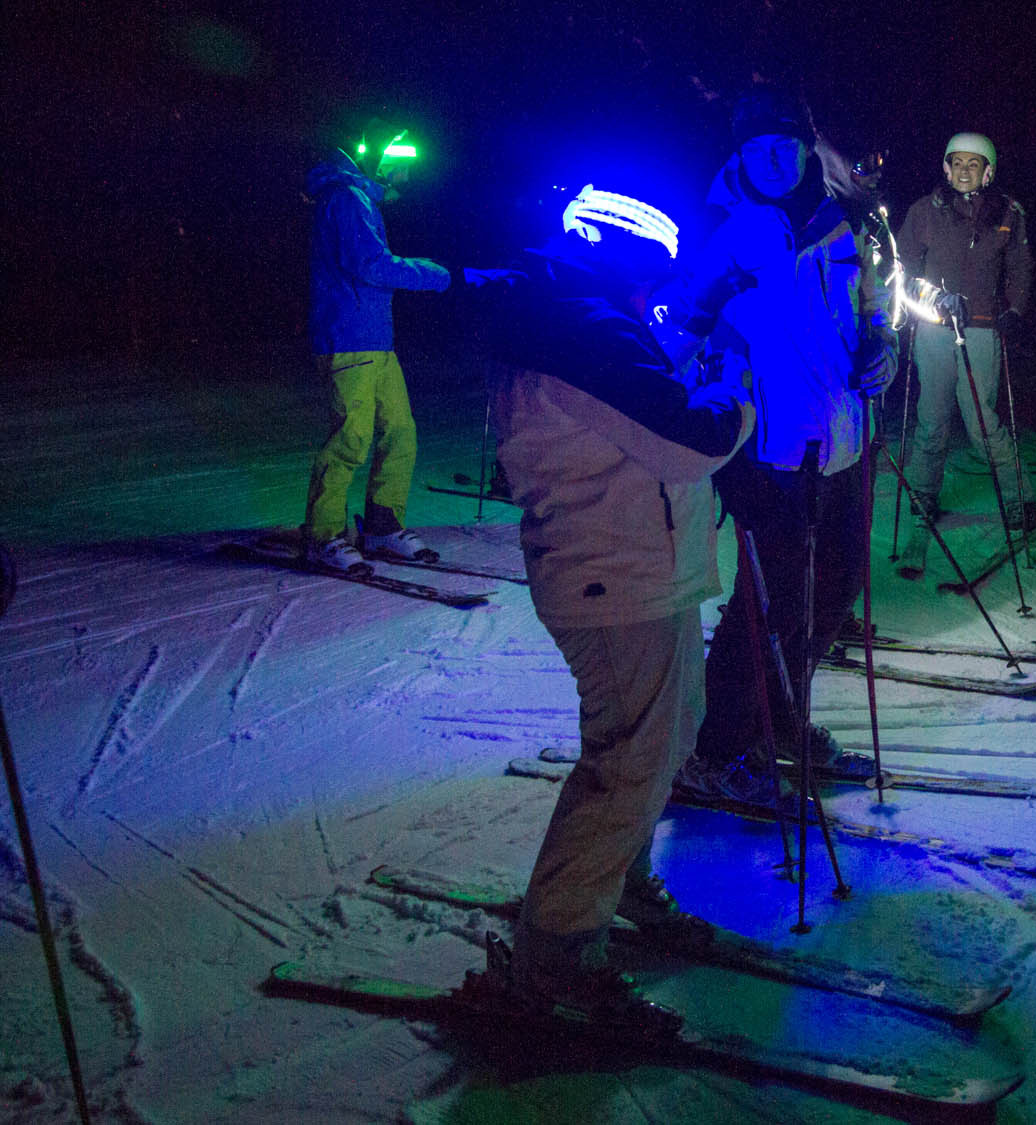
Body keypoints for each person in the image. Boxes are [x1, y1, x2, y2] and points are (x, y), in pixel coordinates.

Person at [485, 184, 754, 1016]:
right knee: (629, 763)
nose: (655, 290)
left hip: (635, 569)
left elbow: (636, 403)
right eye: (652, 274)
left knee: (661, 742)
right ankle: (557, 953)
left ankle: (616, 880)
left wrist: (689, 344)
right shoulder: (581, 329)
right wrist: (735, 389)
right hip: (613, 578)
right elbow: (688, 439)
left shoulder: (576, 317)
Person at [673, 85, 896, 802]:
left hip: (842, 443)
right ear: (740, 154)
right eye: (758, 149)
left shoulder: (845, 223)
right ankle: (717, 750)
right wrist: (713, 435)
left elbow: (874, 305)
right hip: (765, 452)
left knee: (835, 587)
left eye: (786, 147)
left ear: (807, 150)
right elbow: (679, 341)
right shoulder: (724, 232)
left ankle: (779, 720)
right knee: (767, 608)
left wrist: (883, 345)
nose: (773, 161)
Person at [301, 117, 453, 574]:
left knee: (400, 431)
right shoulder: (347, 198)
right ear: (373, 156)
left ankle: (383, 526)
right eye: (397, 163)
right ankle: (323, 536)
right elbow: (370, 264)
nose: (403, 175)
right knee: (351, 437)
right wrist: (432, 273)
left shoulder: (361, 198)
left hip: (375, 340)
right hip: (347, 338)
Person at [894, 131, 1036, 566]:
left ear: (988, 172)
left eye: (973, 164)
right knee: (932, 417)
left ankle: (1019, 499)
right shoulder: (924, 211)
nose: (963, 171)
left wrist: (1015, 309)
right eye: (956, 163)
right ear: (945, 167)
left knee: (981, 421)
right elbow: (902, 270)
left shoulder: (1007, 212)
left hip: (980, 328)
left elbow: (1020, 267)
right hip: (935, 327)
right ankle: (923, 494)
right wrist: (933, 297)